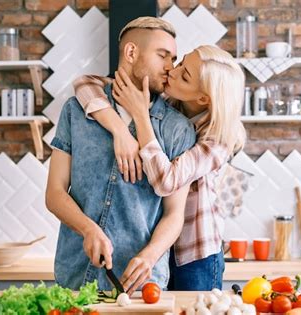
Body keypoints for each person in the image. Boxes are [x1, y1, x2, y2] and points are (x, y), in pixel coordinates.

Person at [73, 45, 247, 290]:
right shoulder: (168, 102)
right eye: (181, 62)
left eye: (184, 76)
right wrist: (119, 130)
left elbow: (166, 182)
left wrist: (141, 116)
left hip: (193, 254)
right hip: (155, 244)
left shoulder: (219, 139)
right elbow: (85, 83)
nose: (172, 72)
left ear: (203, 98)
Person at [45, 17, 196, 293]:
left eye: (173, 59)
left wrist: (150, 256)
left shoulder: (178, 128)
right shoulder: (76, 111)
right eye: (162, 56)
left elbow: (174, 215)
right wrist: (87, 229)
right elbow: (54, 193)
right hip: (74, 277)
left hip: (141, 284)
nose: (170, 68)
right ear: (131, 52)